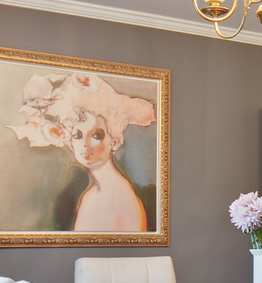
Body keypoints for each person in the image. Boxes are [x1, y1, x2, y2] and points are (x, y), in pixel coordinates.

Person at [9, 70, 155, 232]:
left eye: (96, 135)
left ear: (114, 142)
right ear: (70, 143)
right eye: (77, 135)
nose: (85, 144)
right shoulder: (93, 195)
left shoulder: (118, 196)